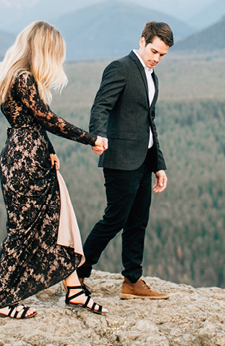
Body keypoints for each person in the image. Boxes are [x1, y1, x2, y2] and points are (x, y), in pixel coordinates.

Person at [0, 21, 108, 319]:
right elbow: (47, 118)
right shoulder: (24, 79)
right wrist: (91, 138)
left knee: (59, 218)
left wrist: (51, 152)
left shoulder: (12, 75)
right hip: (26, 161)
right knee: (22, 228)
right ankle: (3, 300)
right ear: (44, 49)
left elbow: (31, 122)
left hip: (29, 155)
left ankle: (75, 289)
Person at [77, 21, 173, 300]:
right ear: (142, 41)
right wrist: (97, 136)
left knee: (138, 221)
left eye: (162, 55)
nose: (156, 58)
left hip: (144, 159)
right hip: (119, 158)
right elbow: (101, 105)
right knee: (114, 219)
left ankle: (132, 280)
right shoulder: (120, 67)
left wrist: (158, 164)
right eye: (154, 51)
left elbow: (149, 122)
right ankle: (78, 272)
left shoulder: (152, 77)